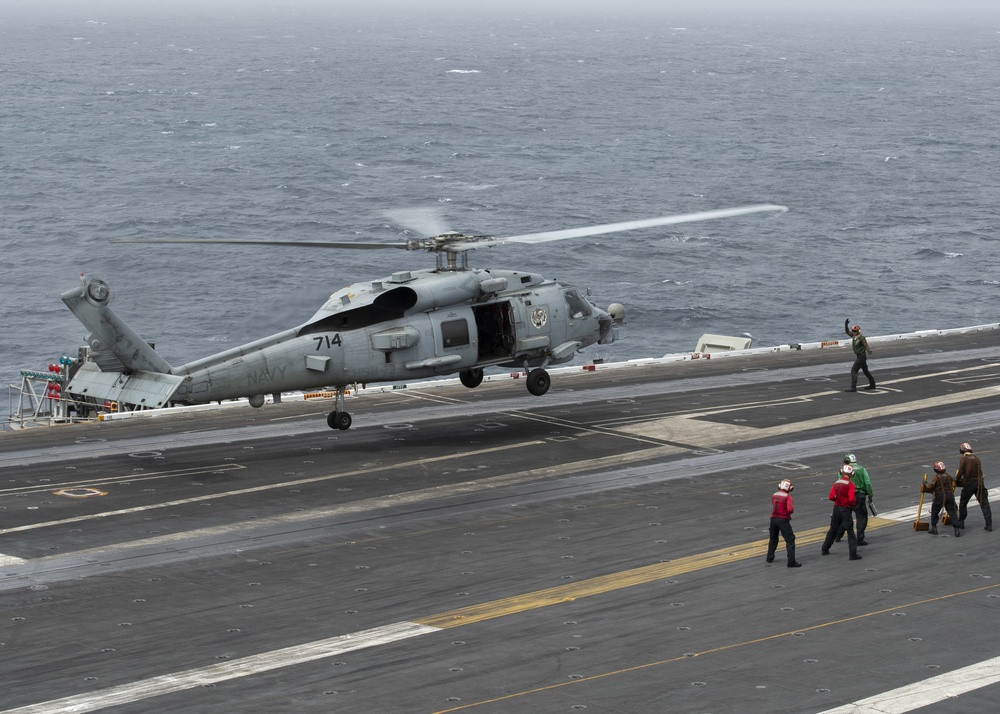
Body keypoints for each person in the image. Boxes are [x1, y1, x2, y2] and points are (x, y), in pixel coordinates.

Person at [822, 464, 863, 560]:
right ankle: (853, 554)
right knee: (850, 531)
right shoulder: (850, 485)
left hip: (836, 508)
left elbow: (831, 497)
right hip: (845, 510)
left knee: (833, 529)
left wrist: (838, 501)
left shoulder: (836, 483)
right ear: (852, 474)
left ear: (841, 472)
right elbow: (851, 499)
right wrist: (850, 505)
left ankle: (825, 549)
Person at [835, 453, 874, 545]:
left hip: (846, 497)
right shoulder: (861, 469)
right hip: (859, 496)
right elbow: (867, 483)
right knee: (861, 517)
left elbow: (838, 483)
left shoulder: (842, 470)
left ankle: (838, 536)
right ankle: (860, 539)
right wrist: (870, 495)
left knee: (845, 517)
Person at [955, 442, 993, 532]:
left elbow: (960, 472)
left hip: (969, 484)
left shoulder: (964, 459)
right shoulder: (976, 459)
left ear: (962, 451)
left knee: (963, 503)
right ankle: (989, 524)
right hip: (979, 483)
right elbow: (980, 472)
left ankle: (961, 522)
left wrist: (956, 479)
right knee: (984, 504)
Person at [766, 479, 802, 567]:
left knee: (773, 538)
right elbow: (790, 509)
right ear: (790, 488)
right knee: (790, 540)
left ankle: (769, 558)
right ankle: (791, 562)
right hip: (783, 520)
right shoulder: (788, 497)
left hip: (773, 519)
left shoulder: (774, 495)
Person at [921, 461, 961, 537]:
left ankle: (934, 528)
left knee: (935, 511)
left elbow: (930, 486)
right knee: (952, 512)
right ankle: (957, 530)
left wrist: (925, 483)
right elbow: (954, 482)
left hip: (940, 496)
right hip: (950, 496)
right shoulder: (948, 476)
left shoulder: (936, 477)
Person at [844, 319, 876, 392]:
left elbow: (865, 345)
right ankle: (872, 385)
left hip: (861, 357)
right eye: (853, 331)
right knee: (865, 371)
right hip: (860, 356)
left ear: (858, 331)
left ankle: (853, 387)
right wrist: (846, 325)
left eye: (854, 331)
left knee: (854, 370)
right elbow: (847, 332)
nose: (853, 332)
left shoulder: (861, 338)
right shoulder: (854, 336)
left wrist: (869, 350)